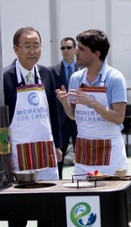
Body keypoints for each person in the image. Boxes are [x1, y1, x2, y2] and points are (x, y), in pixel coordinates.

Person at [55, 29, 131, 227]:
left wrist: (93, 102)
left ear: (96, 53)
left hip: (110, 149)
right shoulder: (75, 78)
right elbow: (74, 115)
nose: (75, 53)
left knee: (117, 208)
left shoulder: (114, 78)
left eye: (80, 49)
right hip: (84, 148)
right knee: (88, 206)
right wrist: (64, 103)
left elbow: (118, 117)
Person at [3, 27, 68, 227]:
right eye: (27, 45)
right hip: (19, 154)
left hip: (45, 152)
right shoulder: (7, 76)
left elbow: (54, 113)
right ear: (16, 49)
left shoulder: (48, 74)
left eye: (37, 45)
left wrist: (59, 145)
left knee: (48, 212)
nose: (33, 51)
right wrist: (3, 155)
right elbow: (0, 121)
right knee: (18, 214)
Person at [50, 37, 78, 179]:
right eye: (63, 48)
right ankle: (58, 182)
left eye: (68, 47)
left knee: (81, 153)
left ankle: (83, 179)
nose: (65, 51)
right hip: (61, 120)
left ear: (75, 49)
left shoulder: (83, 71)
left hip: (79, 118)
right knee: (59, 153)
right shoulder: (53, 71)